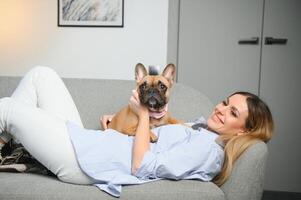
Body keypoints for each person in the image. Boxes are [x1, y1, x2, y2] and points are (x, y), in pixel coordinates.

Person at [0, 66, 274, 197]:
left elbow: (141, 165)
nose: (221, 109)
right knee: (41, 75)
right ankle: (12, 152)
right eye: (226, 102)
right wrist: (115, 121)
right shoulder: (197, 128)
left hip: (84, 160)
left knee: (7, 108)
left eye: (233, 113)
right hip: (91, 141)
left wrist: (142, 113)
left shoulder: (209, 151)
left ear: (242, 132)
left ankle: (11, 150)